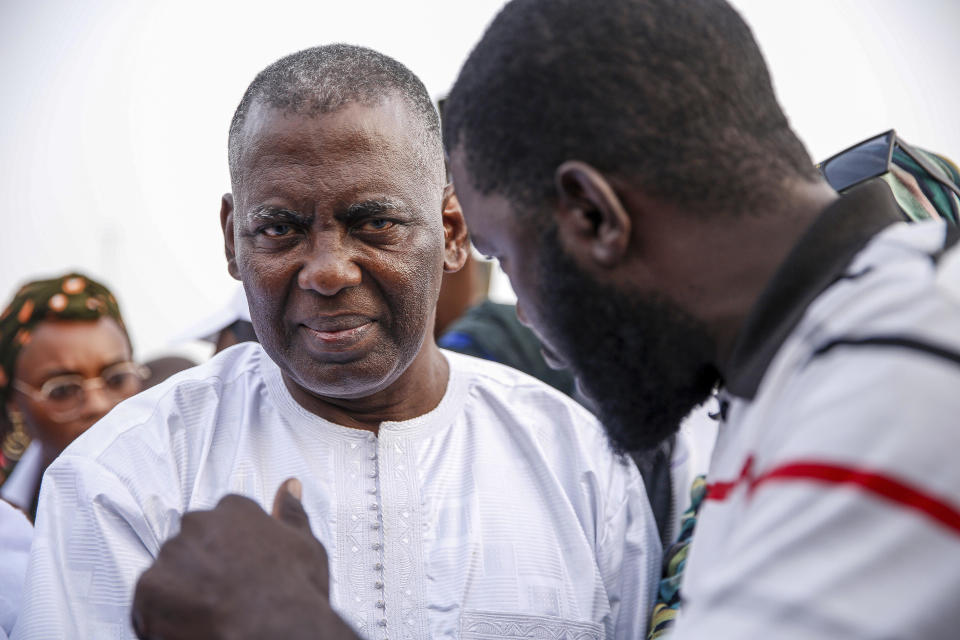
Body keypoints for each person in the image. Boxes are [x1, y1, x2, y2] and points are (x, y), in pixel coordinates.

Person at [121, 1, 960, 639]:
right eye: (281, 228)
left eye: (503, 254)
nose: (518, 312)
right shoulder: (799, 389)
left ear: (594, 216)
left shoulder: (902, 386)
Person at [12, 45, 660, 640]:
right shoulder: (121, 482)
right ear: (232, 238)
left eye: (375, 223)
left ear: (453, 230)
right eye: (279, 229)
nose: (326, 271)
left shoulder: (581, 470)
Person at [0, 273, 148, 520]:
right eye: (62, 390)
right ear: (15, 400)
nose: (98, 404)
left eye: (116, 379)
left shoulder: (182, 495)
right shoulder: (9, 515)